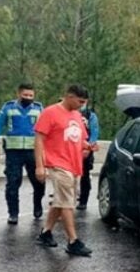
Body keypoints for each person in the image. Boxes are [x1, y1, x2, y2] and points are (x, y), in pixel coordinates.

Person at [34, 85, 96, 257]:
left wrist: (89, 146)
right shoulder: (50, 112)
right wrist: (40, 166)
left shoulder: (77, 115)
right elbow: (39, 140)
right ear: (69, 96)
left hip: (74, 164)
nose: (82, 105)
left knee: (61, 201)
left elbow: (79, 139)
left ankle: (46, 233)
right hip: (57, 163)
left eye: (84, 103)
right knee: (67, 203)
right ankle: (73, 241)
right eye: (80, 101)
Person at [0, 83, 45, 225]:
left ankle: (37, 204)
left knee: (39, 181)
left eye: (31, 95)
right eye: (25, 95)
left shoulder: (39, 109)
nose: (28, 97)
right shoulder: (8, 108)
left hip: (33, 152)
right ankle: (13, 213)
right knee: (13, 183)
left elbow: (47, 131)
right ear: (19, 94)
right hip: (13, 152)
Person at [76, 102, 100, 210]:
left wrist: (88, 148)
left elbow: (94, 132)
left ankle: (83, 200)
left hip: (85, 149)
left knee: (84, 175)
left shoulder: (90, 115)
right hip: (69, 148)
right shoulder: (67, 112)